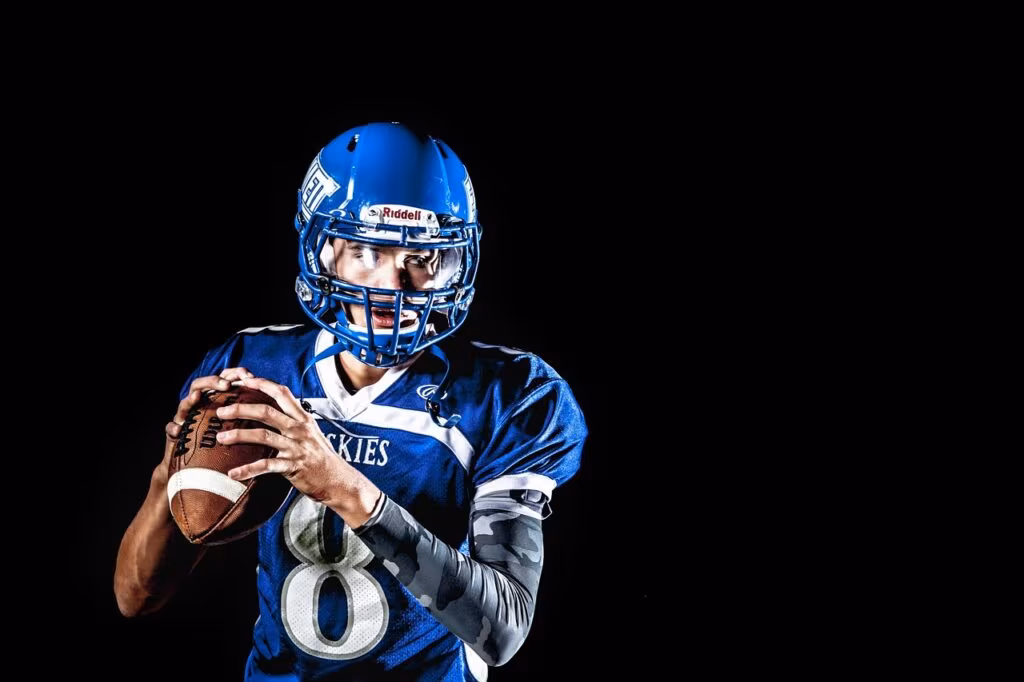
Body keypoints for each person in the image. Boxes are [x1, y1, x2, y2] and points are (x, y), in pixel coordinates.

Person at [114, 121, 588, 680]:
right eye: (367, 249)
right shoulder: (254, 369)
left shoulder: (511, 395)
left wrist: (343, 487)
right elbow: (135, 597)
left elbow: (501, 627)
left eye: (423, 257)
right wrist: (170, 477)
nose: (393, 282)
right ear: (326, 250)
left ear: (457, 262)